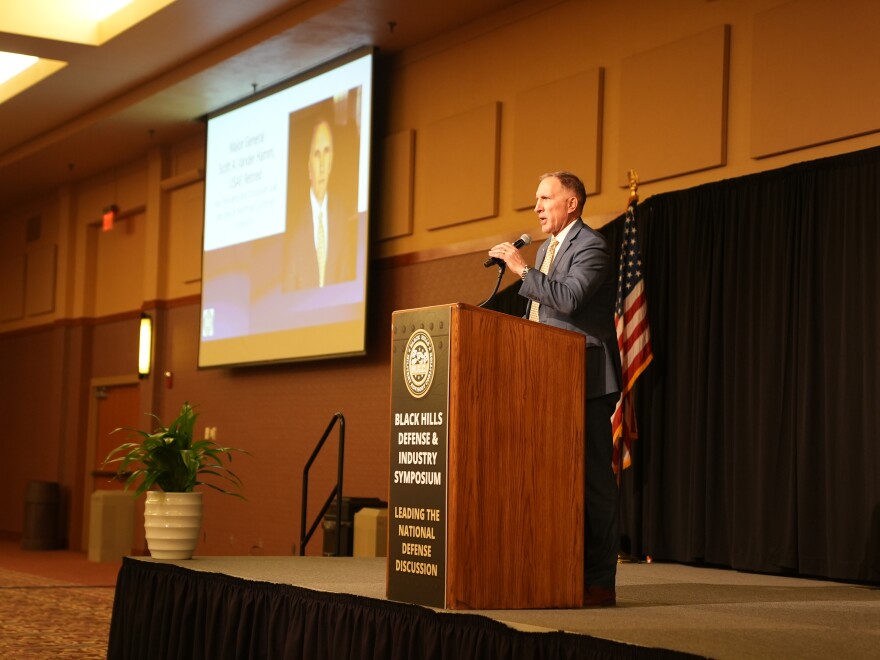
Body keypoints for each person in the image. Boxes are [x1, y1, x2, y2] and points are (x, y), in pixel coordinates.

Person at [487, 171, 622, 608]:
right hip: (544, 380)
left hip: (585, 379)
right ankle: (554, 569)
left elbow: (569, 299)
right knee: (547, 482)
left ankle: (598, 582)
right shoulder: (546, 248)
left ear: (572, 204)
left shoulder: (593, 247)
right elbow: (538, 316)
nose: (538, 207)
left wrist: (522, 269)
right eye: (536, 199)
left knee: (593, 484)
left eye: (546, 198)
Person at [284, 116, 357, 290]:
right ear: (309, 165)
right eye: (317, 154)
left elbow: (346, 278)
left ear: (332, 158)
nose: (322, 165)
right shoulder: (294, 225)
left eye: (327, 152)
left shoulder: (342, 216)